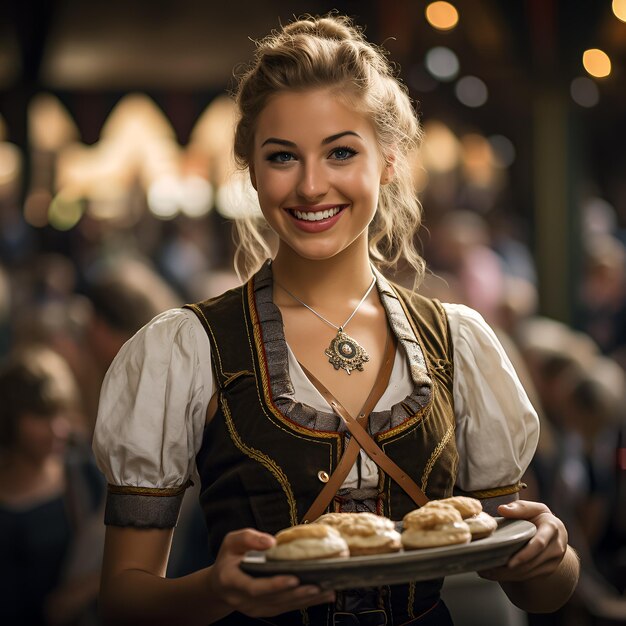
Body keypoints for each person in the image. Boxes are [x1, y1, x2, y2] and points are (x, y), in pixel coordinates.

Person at [93, 13, 580, 626]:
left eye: (341, 152)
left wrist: (548, 554)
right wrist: (217, 590)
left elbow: (540, 593)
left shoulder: (458, 341)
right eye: (282, 157)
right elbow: (120, 599)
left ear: (389, 161)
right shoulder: (185, 349)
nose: (311, 185)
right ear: (250, 167)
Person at [0, 345, 104, 625]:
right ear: (10, 419)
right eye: (42, 416)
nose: (58, 430)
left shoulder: (84, 477)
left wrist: (82, 592)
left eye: (61, 415)